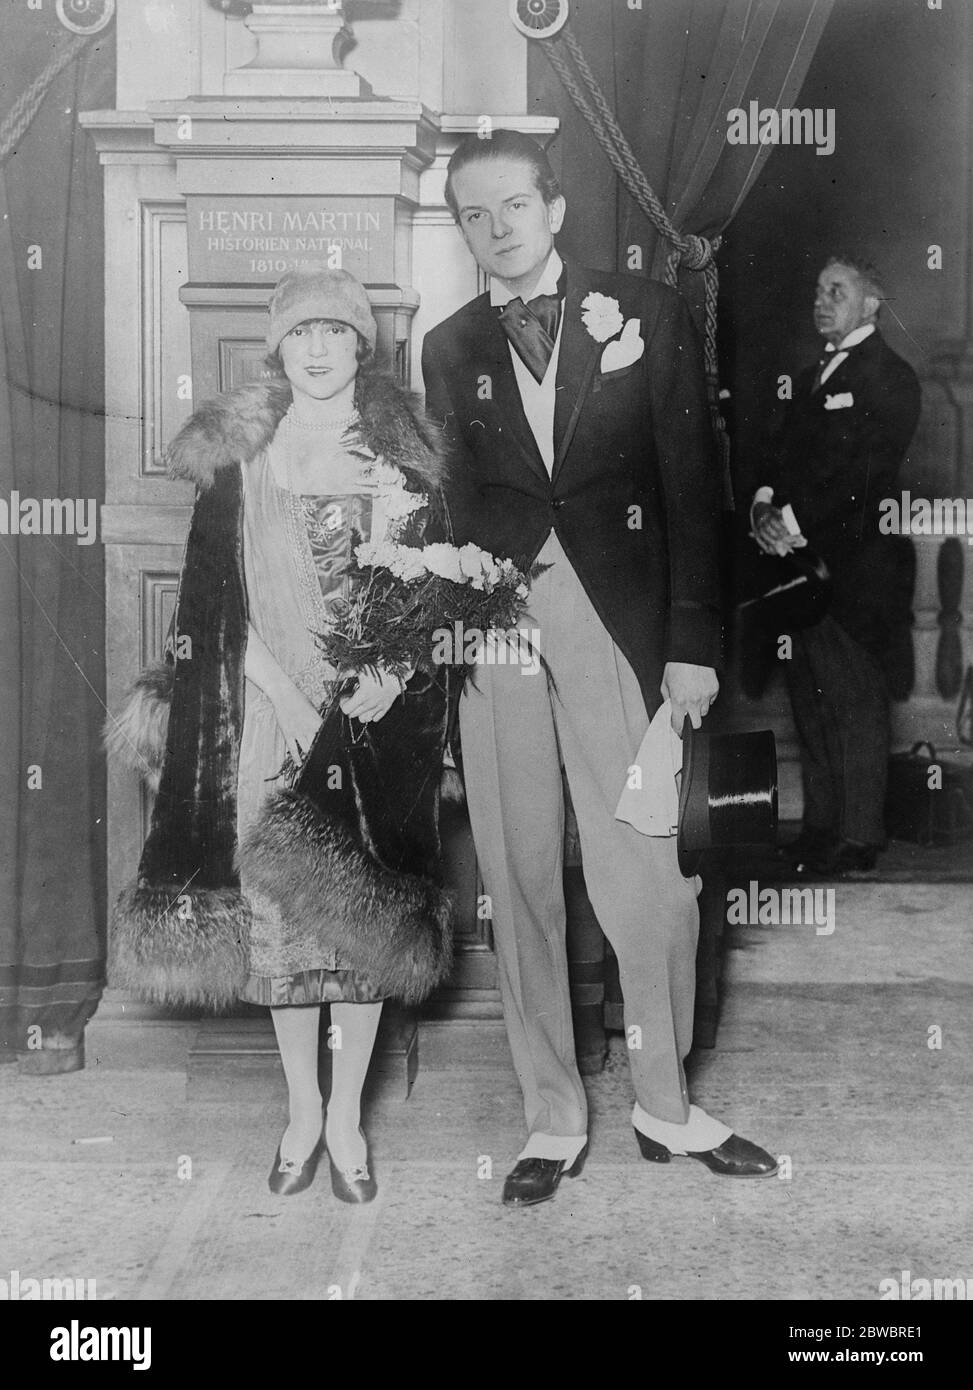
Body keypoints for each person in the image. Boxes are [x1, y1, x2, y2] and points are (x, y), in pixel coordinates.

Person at [422, 129, 777, 1207]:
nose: (497, 230)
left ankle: (665, 1106)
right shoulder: (445, 346)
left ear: (557, 210)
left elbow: (691, 486)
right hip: (497, 634)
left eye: (515, 208)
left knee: (651, 873)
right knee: (518, 875)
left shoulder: (645, 312)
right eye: (474, 216)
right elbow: (451, 501)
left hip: (620, 624)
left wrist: (690, 644)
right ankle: (549, 1116)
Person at [110, 269, 451, 1201]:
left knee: (364, 917)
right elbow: (216, 610)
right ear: (279, 350)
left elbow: (419, 595)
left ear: (359, 349)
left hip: (371, 718)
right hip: (265, 712)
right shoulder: (240, 461)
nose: (316, 350)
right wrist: (291, 703)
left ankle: (348, 1122)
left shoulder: (399, 460)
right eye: (300, 335)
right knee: (284, 929)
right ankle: (303, 1109)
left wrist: (387, 675)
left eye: (334, 334)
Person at [751, 254, 921, 876]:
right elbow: (777, 457)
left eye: (838, 290)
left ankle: (858, 835)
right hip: (795, 569)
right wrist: (763, 507)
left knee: (853, 700)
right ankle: (821, 829)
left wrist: (791, 524)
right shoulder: (809, 374)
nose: (822, 300)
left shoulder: (891, 378)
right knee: (811, 701)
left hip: (853, 574)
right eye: (819, 289)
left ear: (872, 302)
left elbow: (865, 479)